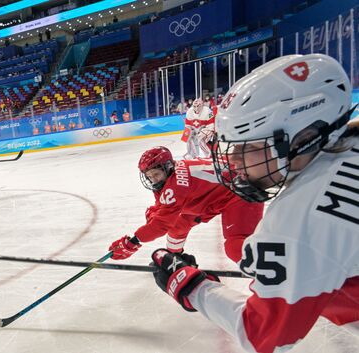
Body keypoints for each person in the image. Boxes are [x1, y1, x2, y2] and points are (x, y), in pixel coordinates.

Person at [150, 54, 359, 353]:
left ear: (303, 136)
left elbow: (262, 335)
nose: (233, 163)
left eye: (247, 148)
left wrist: (192, 287)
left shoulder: (300, 220)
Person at [109, 146, 264, 263]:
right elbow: (162, 213)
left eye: (156, 174)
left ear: (168, 167)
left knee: (235, 247)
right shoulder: (171, 174)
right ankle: (175, 258)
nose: (153, 180)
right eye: (149, 177)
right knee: (178, 223)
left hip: (240, 192)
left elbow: (161, 224)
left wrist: (132, 242)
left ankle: (270, 272)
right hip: (217, 196)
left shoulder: (176, 185)